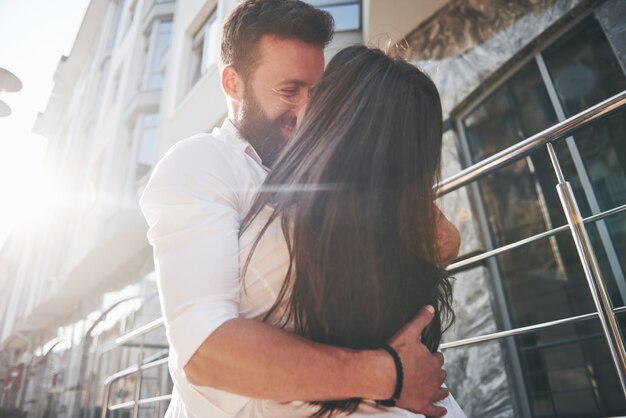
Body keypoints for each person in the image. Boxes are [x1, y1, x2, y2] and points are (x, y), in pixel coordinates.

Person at [140, 1, 461, 417]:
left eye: (317, 91)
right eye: (289, 90)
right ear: (233, 83)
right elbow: (206, 351)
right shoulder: (204, 164)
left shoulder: (332, 163)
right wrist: (390, 374)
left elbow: (442, 240)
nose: (308, 108)